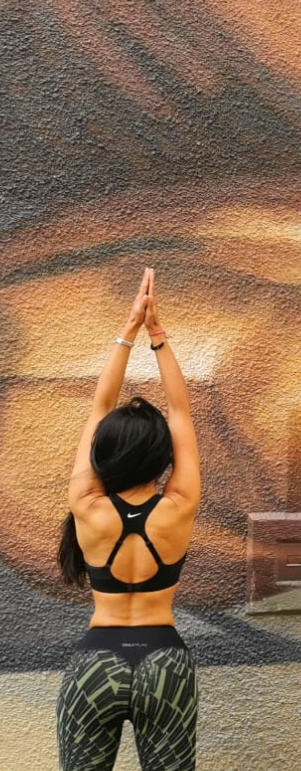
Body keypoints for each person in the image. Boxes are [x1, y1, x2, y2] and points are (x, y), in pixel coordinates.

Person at [55, 267, 200, 771]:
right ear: (163, 457)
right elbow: (181, 413)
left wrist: (128, 333)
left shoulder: (88, 506)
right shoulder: (179, 503)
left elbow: (101, 406)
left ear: (103, 455)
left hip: (97, 663)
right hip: (165, 660)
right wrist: (159, 337)